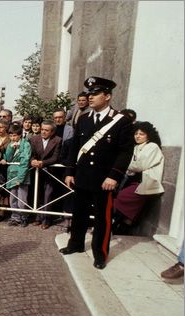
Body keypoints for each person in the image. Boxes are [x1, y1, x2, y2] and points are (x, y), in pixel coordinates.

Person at [60, 76, 134, 270]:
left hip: (104, 179)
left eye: (95, 94)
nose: (90, 97)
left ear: (107, 96)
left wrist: (114, 176)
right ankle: (75, 244)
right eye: (89, 94)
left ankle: (100, 253)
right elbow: (75, 147)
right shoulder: (84, 120)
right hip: (82, 176)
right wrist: (70, 172)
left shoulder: (121, 121)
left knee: (103, 217)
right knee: (79, 214)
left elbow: (126, 151)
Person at [112, 121, 164, 233]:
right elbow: (133, 166)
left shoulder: (152, 147)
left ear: (148, 135)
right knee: (122, 202)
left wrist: (125, 165)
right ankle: (123, 226)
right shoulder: (137, 147)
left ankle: (118, 226)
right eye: (136, 133)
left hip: (145, 182)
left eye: (141, 134)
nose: (137, 136)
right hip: (134, 181)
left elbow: (141, 165)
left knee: (122, 197)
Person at [29, 120, 62, 229]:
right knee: (37, 194)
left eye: (46, 130)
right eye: (42, 129)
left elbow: (56, 157)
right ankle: (38, 217)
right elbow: (31, 154)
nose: (43, 132)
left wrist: (43, 163)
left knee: (48, 195)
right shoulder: (34, 139)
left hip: (50, 172)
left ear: (52, 132)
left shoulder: (57, 140)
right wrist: (33, 160)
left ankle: (47, 219)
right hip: (37, 172)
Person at [1, 123, 31, 228]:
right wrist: (10, 149)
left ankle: (24, 217)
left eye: (15, 135)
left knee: (22, 200)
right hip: (11, 174)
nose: (13, 138)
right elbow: (8, 158)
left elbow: (25, 161)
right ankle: (15, 217)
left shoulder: (26, 144)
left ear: (19, 135)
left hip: (21, 174)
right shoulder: (10, 144)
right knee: (13, 198)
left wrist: (20, 177)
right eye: (11, 135)